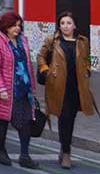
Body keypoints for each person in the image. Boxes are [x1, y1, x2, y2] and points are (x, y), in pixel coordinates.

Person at [37, 12, 96, 169]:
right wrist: (45, 71)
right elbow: (41, 56)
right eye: (62, 23)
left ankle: (64, 150)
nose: (65, 26)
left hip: (77, 88)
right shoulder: (52, 41)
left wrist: (88, 70)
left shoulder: (82, 42)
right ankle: (66, 152)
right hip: (58, 87)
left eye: (68, 23)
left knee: (70, 120)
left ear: (74, 25)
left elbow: (89, 58)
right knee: (65, 120)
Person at [0, 12, 39, 169]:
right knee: (3, 120)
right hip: (7, 90)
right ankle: (2, 151)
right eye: (14, 25)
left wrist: (32, 87)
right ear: (6, 26)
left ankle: (25, 155)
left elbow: (27, 64)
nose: (17, 28)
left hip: (24, 88)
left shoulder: (23, 41)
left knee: (26, 121)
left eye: (19, 25)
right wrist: (1, 89)